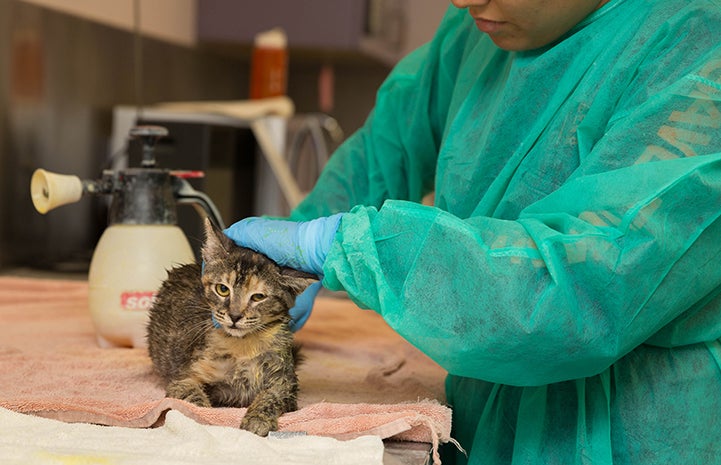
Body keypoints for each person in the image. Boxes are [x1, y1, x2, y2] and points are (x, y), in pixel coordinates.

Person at [225, 0, 721, 463]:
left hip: (633, 437)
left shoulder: (697, 48)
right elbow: (383, 152)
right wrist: (287, 253)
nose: (463, 0)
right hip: (478, 425)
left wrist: (348, 246)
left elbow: (575, 291)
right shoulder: (473, 37)